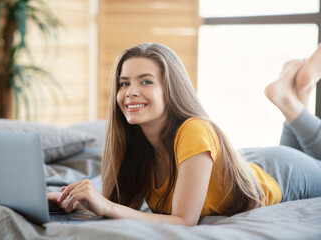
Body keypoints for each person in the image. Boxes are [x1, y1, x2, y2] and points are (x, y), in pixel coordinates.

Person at [48, 42, 321, 226]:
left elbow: (183, 221)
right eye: (124, 83)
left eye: (146, 81)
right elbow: (122, 207)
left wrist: (106, 206)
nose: (130, 91)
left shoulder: (193, 129)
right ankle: (299, 94)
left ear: (171, 88)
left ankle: (289, 99)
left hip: (282, 173)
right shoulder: (138, 145)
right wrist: (74, 201)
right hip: (251, 165)